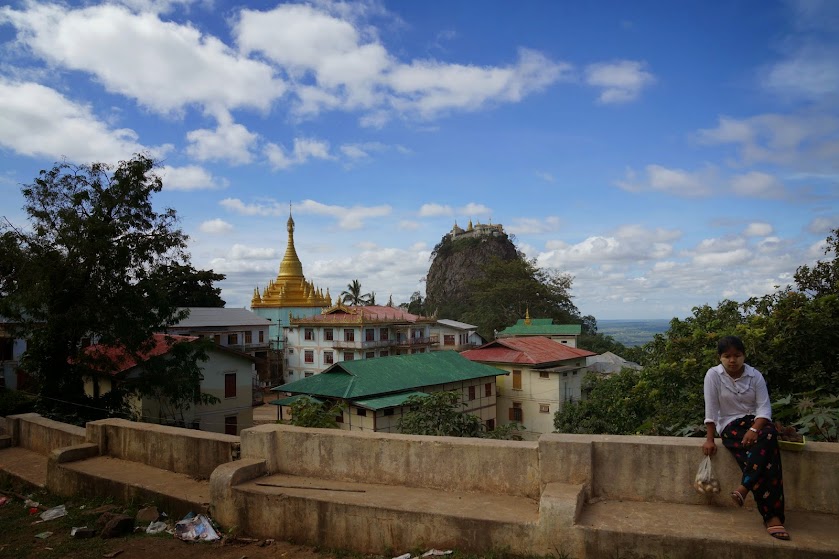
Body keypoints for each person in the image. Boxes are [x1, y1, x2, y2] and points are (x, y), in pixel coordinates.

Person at [702, 335, 789, 540]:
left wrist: (754, 429)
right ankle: (772, 518)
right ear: (720, 358)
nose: (732, 360)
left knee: (767, 436)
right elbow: (711, 409)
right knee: (768, 459)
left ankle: (745, 487)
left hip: (757, 424)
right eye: (727, 356)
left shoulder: (754, 375)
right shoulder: (713, 375)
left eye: (737, 355)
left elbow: (764, 407)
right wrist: (709, 439)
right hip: (730, 425)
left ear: (744, 355)